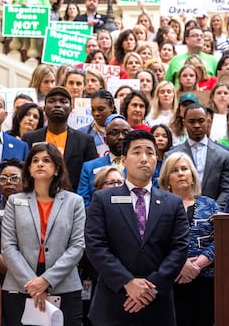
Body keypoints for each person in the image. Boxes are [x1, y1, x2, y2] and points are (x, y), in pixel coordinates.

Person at [85, 130, 190, 325]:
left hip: (157, 305)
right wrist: (127, 282)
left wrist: (151, 288)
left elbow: (180, 248)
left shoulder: (172, 203)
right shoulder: (103, 199)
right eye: (137, 152)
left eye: (150, 152)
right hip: (113, 303)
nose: (144, 158)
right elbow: (95, 246)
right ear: (123, 160)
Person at [1, 143, 85, 326]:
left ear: (56, 169)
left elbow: (77, 246)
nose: (40, 164)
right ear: (29, 169)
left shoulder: (75, 202)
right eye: (35, 161)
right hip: (20, 285)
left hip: (63, 284)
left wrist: (46, 280)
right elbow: (8, 247)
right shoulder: (15, 202)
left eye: (46, 160)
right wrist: (32, 284)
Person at [158, 152, 218, 326]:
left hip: (206, 279)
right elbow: (155, 241)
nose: (181, 173)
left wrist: (197, 265)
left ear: (192, 175)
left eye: (184, 169)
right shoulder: (158, 206)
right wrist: (179, 265)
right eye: (175, 170)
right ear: (167, 179)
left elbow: (220, 240)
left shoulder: (210, 204)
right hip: (171, 279)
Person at [22, 86, 98, 192]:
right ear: (44, 108)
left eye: (63, 101)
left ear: (71, 108)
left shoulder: (85, 141)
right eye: (52, 101)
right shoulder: (29, 138)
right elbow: (24, 173)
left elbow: (91, 177)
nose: (57, 105)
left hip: (73, 201)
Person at [165, 104, 229, 210]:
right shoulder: (171, 155)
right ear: (184, 123)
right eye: (192, 121)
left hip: (215, 216)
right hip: (179, 213)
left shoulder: (224, 155)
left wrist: (214, 212)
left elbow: (227, 189)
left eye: (201, 120)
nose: (197, 125)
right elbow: (167, 188)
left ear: (208, 121)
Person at [77, 115, 131, 208]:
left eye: (125, 133)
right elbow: (83, 202)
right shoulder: (89, 167)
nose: (121, 137)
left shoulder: (139, 166)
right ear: (105, 140)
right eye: (114, 133)